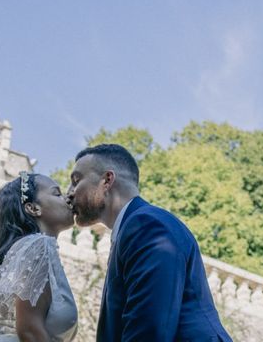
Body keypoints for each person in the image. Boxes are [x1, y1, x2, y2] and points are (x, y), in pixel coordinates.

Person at [67, 144, 233, 342]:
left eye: (76, 181)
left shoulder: (146, 225)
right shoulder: (131, 230)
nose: (69, 192)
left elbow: (150, 330)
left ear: (107, 180)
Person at [0, 172, 78, 342]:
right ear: (33, 208)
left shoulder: (27, 249)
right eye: (57, 193)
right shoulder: (38, 245)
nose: (67, 198)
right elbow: (29, 330)